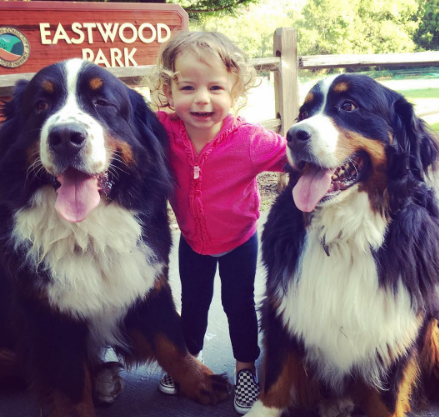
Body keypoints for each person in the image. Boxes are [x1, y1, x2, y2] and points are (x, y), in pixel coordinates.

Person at [152, 30, 287, 415]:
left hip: (240, 241)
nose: (201, 99)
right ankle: (189, 362)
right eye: (188, 86)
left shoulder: (249, 141)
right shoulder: (162, 131)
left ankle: (245, 366)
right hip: (192, 241)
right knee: (193, 303)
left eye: (216, 87)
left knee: (238, 303)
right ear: (168, 89)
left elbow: (294, 157)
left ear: (235, 90)